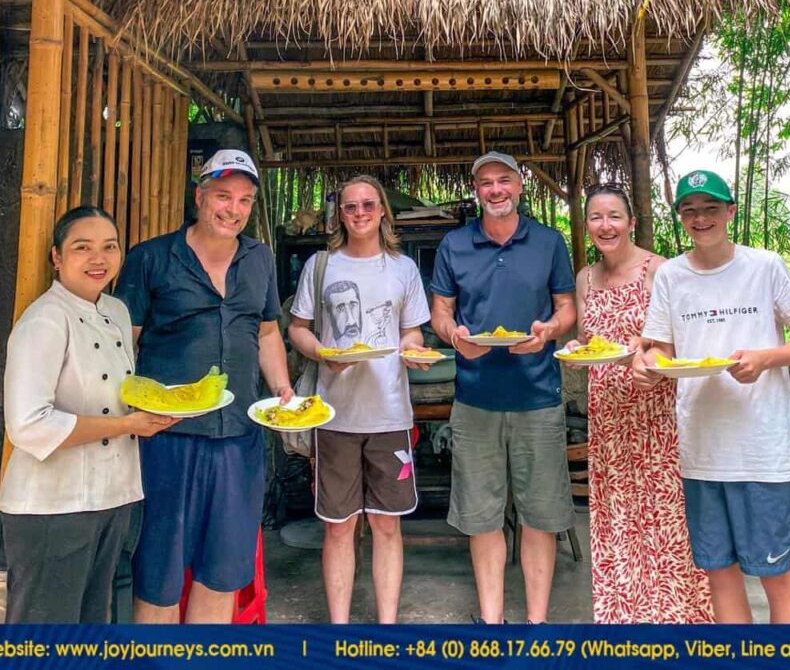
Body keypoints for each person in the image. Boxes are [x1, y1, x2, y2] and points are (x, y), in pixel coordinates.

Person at [633, 170, 790, 624]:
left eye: (711, 208)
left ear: (730, 212)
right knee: (720, 575)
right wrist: (647, 367)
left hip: (762, 454)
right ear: (680, 217)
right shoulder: (672, 276)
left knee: (778, 577)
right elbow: (661, 349)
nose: (701, 218)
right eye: (690, 210)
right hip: (701, 451)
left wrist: (765, 358)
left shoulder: (764, 266)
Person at [115, 149, 293, 624]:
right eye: (222, 196)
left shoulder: (259, 259)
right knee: (159, 568)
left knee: (223, 568)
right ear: (199, 196)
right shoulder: (150, 258)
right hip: (166, 438)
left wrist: (282, 390)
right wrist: (131, 415)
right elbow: (121, 347)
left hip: (239, 438)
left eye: (244, 200)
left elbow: (268, 332)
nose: (232, 209)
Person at [0, 207, 178, 623]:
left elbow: (115, 393)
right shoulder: (44, 319)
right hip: (52, 505)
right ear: (57, 257)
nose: (99, 258)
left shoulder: (116, 311)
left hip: (113, 495)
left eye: (109, 247)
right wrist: (127, 426)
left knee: (94, 620)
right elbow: (27, 423)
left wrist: (156, 408)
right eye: (83, 248)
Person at [430, 151, 576, 625]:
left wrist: (548, 331)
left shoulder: (549, 242)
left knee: (540, 516)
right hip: (474, 400)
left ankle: (537, 625)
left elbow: (566, 308)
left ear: (519, 186)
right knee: (481, 517)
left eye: (504, 181)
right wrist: (455, 337)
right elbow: (442, 311)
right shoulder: (454, 244)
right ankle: (490, 624)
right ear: (476, 191)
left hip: (538, 397)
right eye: (486, 182)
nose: (495, 190)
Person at [562, 184, 713, 623]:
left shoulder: (659, 270)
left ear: (631, 222)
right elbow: (591, 341)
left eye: (614, 216)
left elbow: (687, 339)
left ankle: (681, 623)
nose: (605, 226)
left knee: (666, 520)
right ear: (587, 225)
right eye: (596, 217)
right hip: (608, 418)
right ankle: (625, 623)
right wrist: (577, 350)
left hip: (656, 414)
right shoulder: (585, 278)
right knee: (617, 520)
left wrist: (644, 350)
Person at [288, 175, 433, 623]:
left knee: (387, 525)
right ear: (340, 215)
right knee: (338, 528)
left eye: (368, 204)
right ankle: (339, 629)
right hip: (334, 416)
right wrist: (322, 355)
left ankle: (387, 628)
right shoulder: (321, 266)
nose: (360, 213)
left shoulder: (403, 269)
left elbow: (412, 331)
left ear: (383, 210)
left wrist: (412, 350)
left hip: (389, 414)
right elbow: (297, 329)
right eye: (350, 207)